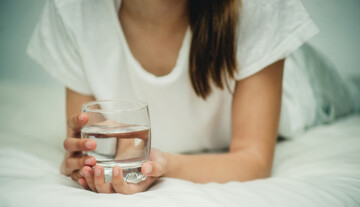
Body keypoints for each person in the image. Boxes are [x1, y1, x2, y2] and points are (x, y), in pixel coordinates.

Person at [27, 0, 357, 194]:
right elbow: (84, 140)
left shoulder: (260, 7)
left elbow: (254, 159)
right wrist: (80, 163)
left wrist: (161, 165)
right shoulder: (72, 10)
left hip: (304, 89)